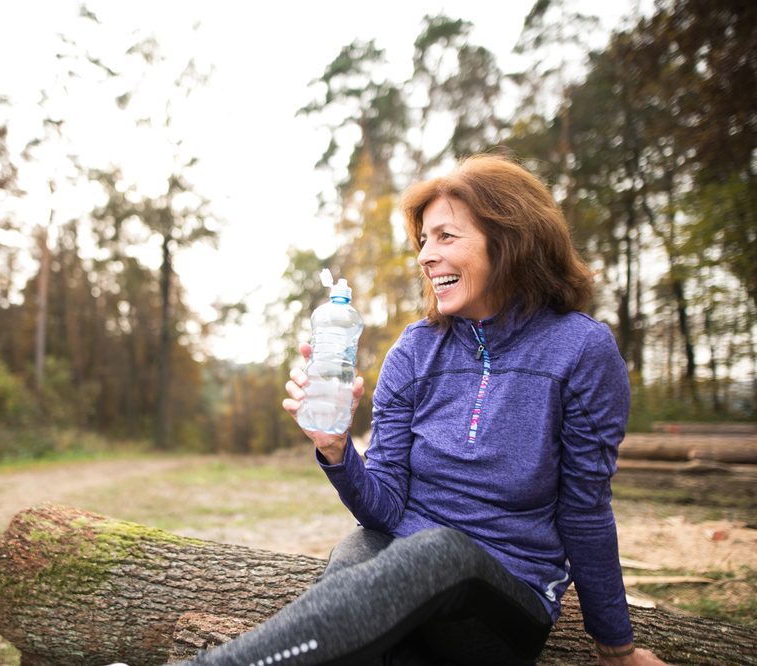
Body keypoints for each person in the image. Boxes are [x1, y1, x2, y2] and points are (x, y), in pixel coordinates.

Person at [181, 154, 667, 665]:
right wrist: (336, 448)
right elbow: (384, 507)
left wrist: (616, 647)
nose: (425, 257)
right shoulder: (414, 351)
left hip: (504, 601)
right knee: (359, 549)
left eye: (446, 237)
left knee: (439, 551)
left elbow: (585, 510)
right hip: (405, 582)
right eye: (423, 241)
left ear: (511, 239)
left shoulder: (581, 351)